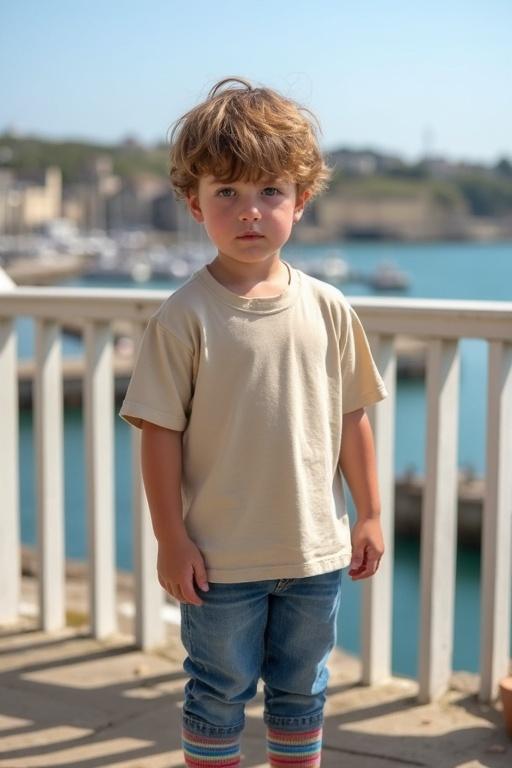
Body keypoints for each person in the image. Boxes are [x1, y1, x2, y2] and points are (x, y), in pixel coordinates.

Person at [119, 76, 388, 768]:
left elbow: (351, 415)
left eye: (269, 191)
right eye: (226, 194)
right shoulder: (183, 315)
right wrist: (171, 539)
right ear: (194, 204)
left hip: (314, 554)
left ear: (300, 200)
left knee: (303, 693)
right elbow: (159, 435)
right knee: (216, 695)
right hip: (218, 561)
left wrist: (369, 513)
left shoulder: (329, 309)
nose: (249, 211)